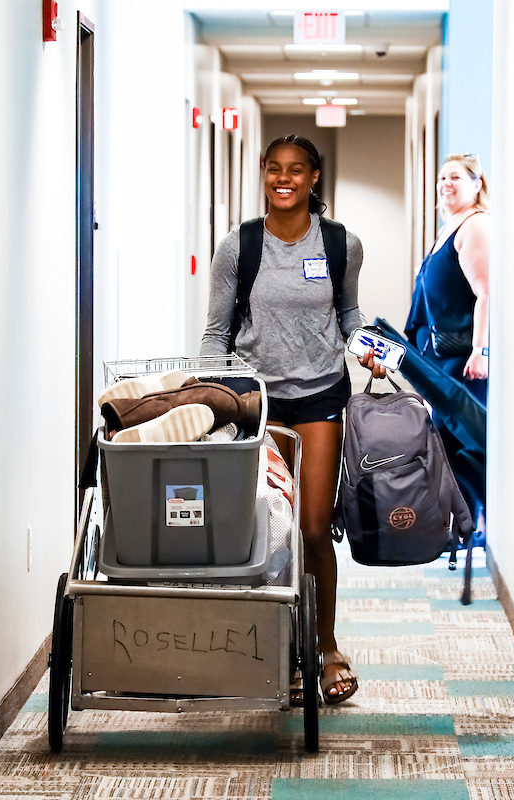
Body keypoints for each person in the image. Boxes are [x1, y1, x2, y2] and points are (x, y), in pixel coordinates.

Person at [201, 134, 382, 705]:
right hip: (257, 400)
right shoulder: (239, 247)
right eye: (275, 169)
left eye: (296, 170)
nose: (285, 178)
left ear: (313, 179)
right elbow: (216, 332)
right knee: (260, 526)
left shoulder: (340, 244)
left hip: (321, 393)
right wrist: (214, 391)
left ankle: (327, 647)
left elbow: (348, 314)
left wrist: (363, 345)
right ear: (264, 174)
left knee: (311, 526)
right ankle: (267, 641)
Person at [403, 153, 490, 513]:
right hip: (441, 358)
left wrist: (480, 351)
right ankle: (457, 525)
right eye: (441, 178)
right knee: (443, 440)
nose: (446, 184)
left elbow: (486, 292)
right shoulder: (449, 227)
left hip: (462, 361)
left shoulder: (475, 226)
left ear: (476, 184)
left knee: (461, 443)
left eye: (455, 177)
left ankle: (472, 524)